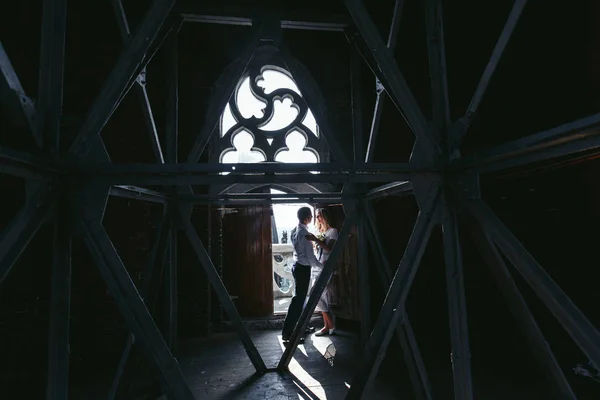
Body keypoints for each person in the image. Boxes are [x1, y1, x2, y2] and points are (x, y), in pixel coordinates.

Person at [281, 206, 323, 342]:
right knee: (298, 301)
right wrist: (324, 267)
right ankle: (288, 333)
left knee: (299, 299)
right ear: (306, 218)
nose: (312, 218)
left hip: (297, 266)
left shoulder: (295, 230)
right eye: (311, 216)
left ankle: (301, 327)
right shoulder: (305, 235)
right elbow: (311, 258)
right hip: (303, 269)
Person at [306, 208, 338, 336]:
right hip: (317, 266)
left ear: (325, 217)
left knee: (314, 293)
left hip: (326, 266)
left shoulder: (333, 232)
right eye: (317, 216)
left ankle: (330, 324)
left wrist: (316, 240)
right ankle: (327, 326)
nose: (318, 219)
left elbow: (330, 248)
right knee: (321, 295)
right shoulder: (322, 232)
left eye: (320, 216)